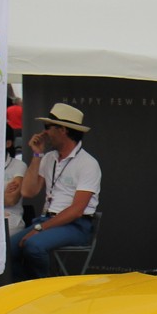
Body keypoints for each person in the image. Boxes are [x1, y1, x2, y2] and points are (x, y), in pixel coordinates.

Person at [7, 103, 101, 281]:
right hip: (47, 220)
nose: (45, 133)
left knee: (33, 246)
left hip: (76, 224)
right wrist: (36, 155)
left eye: (48, 127)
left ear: (63, 130)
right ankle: (27, 287)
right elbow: (28, 191)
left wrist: (40, 228)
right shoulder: (49, 158)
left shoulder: (88, 163)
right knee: (8, 250)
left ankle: (45, 287)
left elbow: (76, 210)